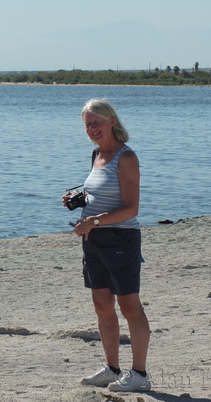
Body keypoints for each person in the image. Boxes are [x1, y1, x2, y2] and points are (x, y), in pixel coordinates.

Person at [63, 98, 151, 393]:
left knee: (129, 305)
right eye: (88, 124)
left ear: (111, 121)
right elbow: (101, 195)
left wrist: (95, 221)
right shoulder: (97, 154)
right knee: (102, 304)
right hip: (94, 240)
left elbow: (132, 208)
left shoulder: (126, 157)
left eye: (96, 123)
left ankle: (139, 373)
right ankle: (112, 369)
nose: (92, 128)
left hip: (120, 239)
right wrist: (79, 202)